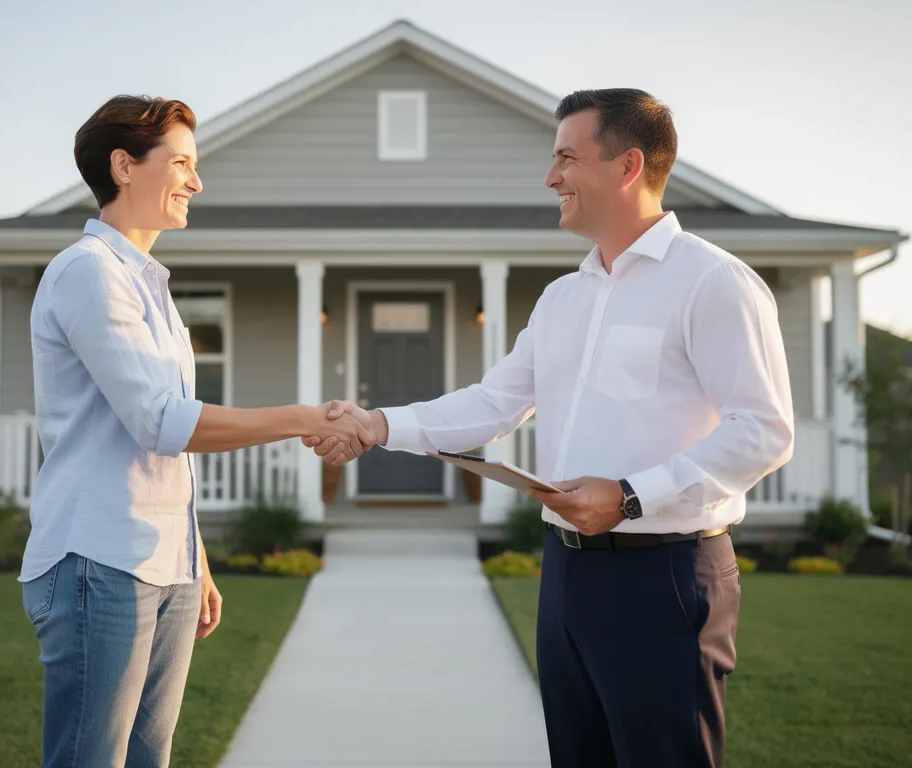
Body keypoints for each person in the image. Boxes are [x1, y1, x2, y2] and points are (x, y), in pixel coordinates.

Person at [310, 88, 794, 767]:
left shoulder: (713, 282)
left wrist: (629, 495)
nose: (550, 177)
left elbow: (763, 430)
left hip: (665, 577)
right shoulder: (564, 297)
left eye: (566, 157)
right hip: (566, 575)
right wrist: (376, 424)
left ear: (627, 167)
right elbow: (494, 403)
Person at [19, 94, 376, 768]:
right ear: (125, 166)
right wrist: (304, 417)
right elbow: (161, 423)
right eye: (181, 162)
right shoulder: (88, 274)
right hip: (100, 560)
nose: (196, 180)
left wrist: (197, 559)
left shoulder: (149, 285)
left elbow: (158, 443)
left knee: (151, 757)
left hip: (164, 562)